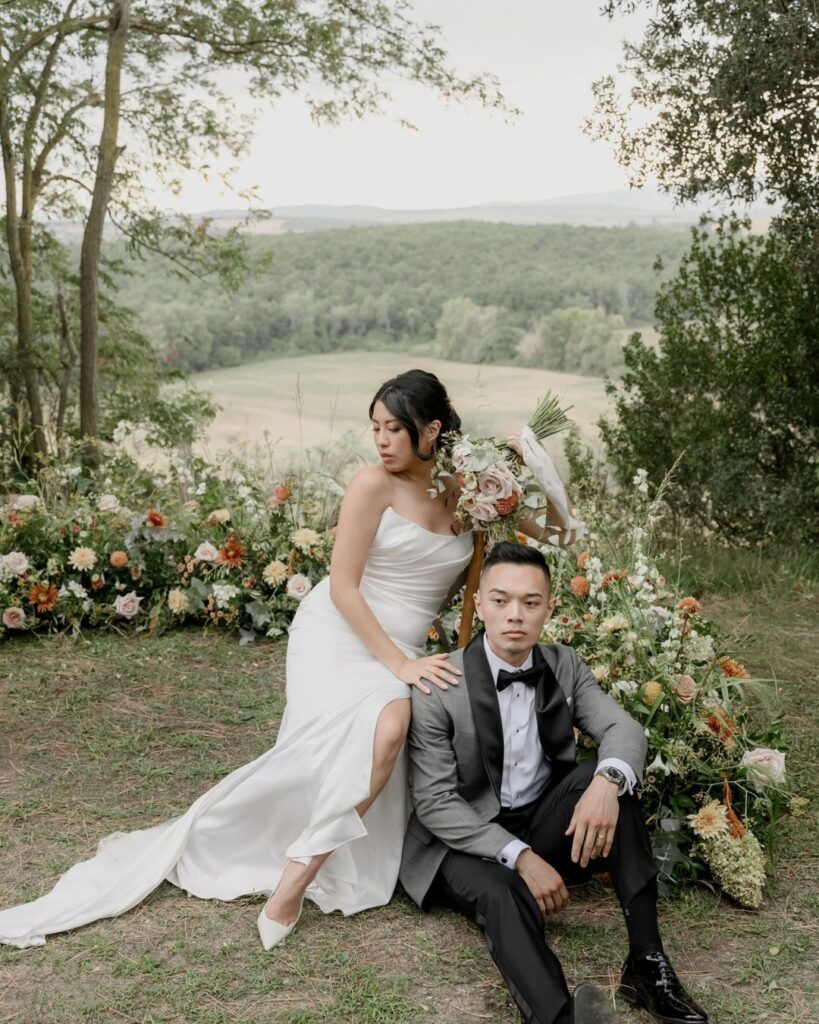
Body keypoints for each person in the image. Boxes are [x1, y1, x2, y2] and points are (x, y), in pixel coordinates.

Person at [0, 369, 575, 952]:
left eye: (394, 429)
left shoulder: (469, 489)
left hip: (403, 648)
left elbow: (558, 539)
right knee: (386, 725)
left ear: (431, 430)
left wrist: (539, 471)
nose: (380, 440)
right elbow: (345, 588)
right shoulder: (371, 486)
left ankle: (304, 857)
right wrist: (399, 668)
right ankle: (298, 873)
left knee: (382, 732)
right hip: (339, 633)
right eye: (374, 427)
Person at [399, 542, 710, 1024]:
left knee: (608, 783)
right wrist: (521, 857)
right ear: (479, 604)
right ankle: (557, 1017)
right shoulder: (440, 684)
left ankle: (646, 965)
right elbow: (437, 803)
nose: (515, 615)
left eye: (530, 602)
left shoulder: (564, 663)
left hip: (538, 818)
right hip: (458, 839)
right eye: (500, 601)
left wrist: (607, 783)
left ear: (550, 608)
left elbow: (623, 729)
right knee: (504, 890)